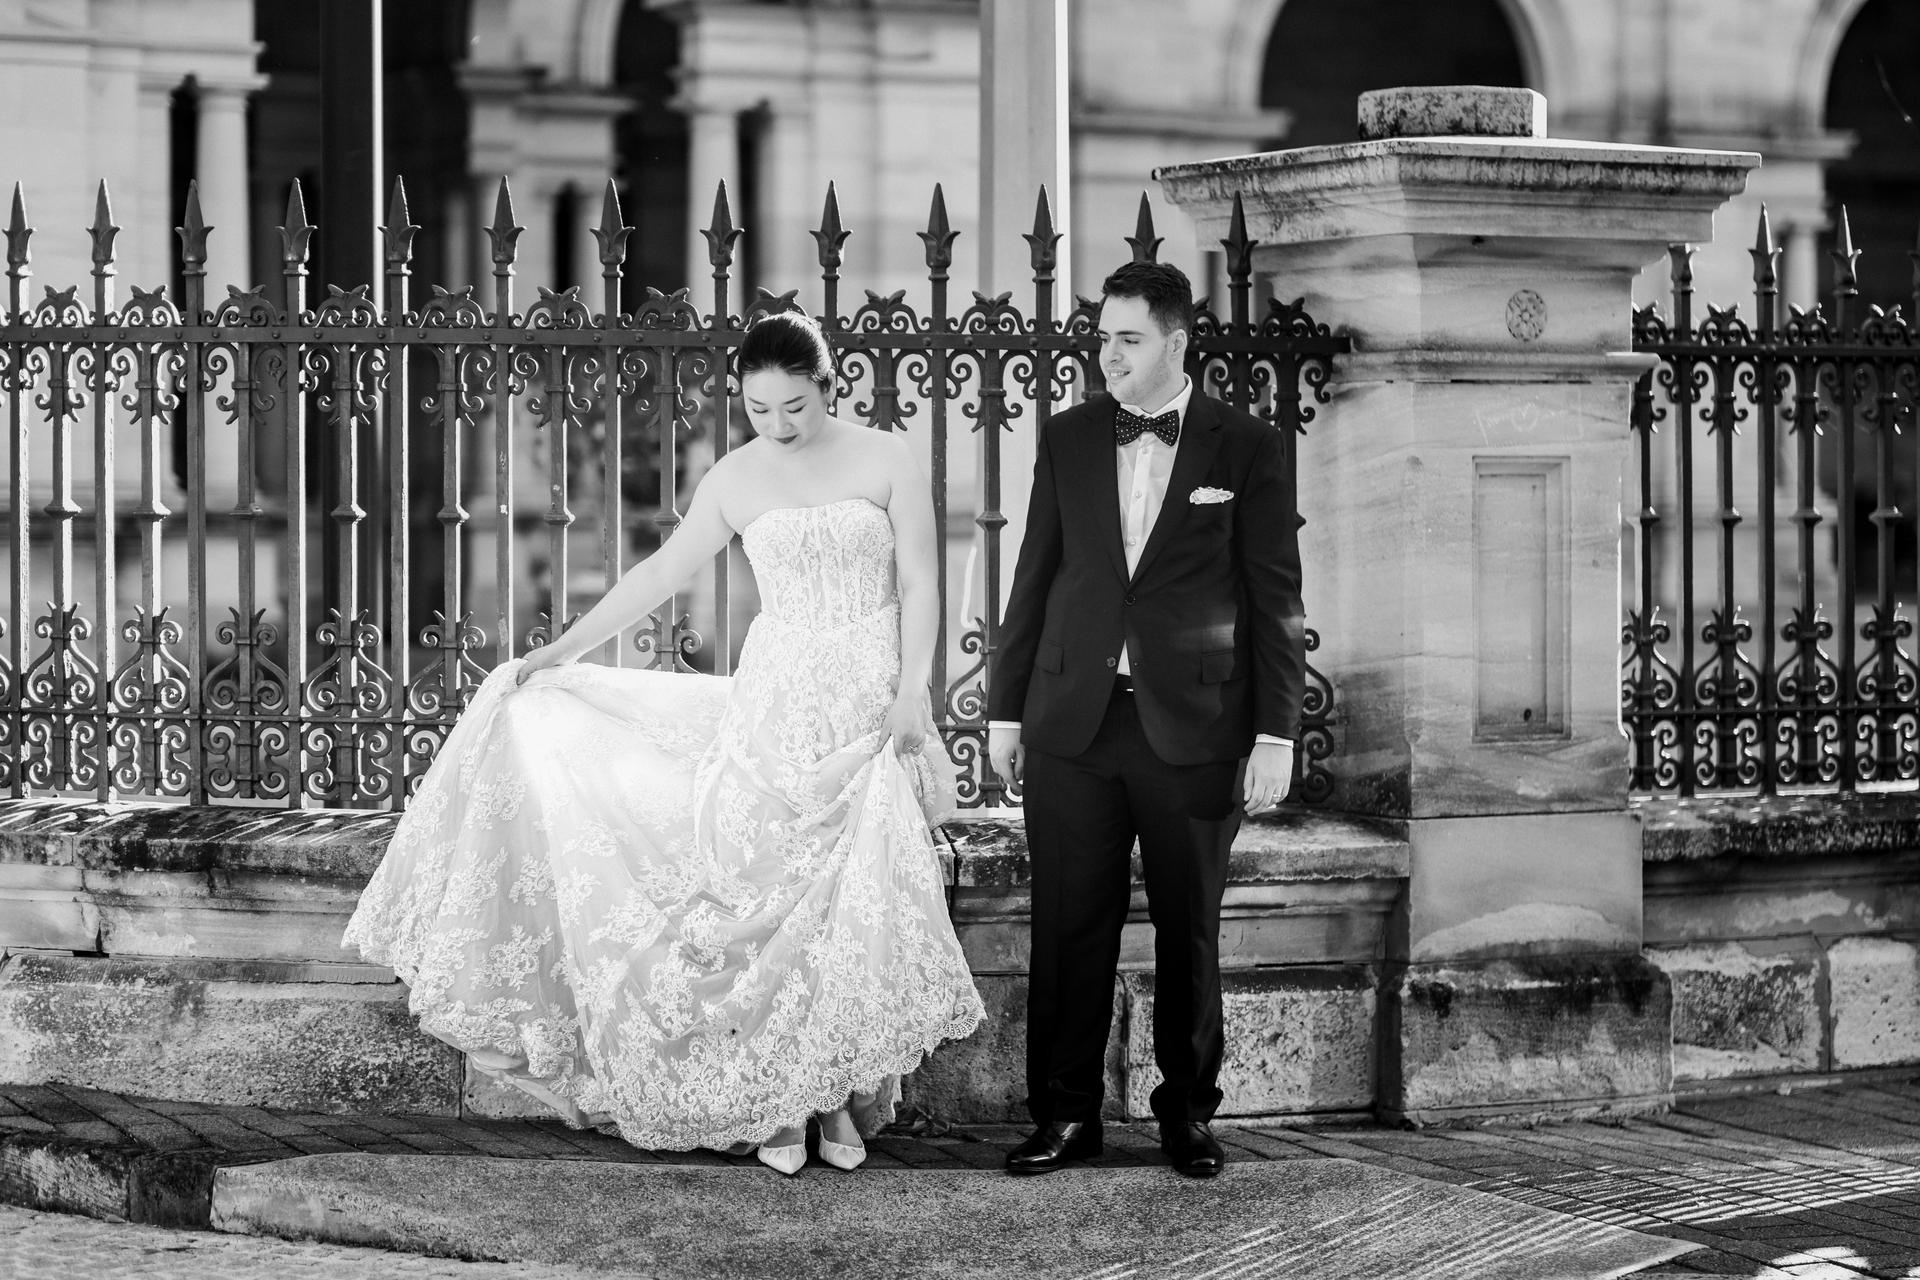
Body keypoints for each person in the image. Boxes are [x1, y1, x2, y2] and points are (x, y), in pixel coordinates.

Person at [345, 310, 985, 1176]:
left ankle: (832, 1093)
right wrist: (558, 651)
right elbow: (658, 575)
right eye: (760, 411)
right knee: (764, 895)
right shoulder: (734, 476)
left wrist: (913, 692)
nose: (779, 427)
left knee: (842, 902)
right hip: (779, 695)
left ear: (829, 387)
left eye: (794, 407)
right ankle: (783, 1103)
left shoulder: (887, 457)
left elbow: (919, 576)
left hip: (867, 697)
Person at [987, 261, 1305, 1179]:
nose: (1107, 355)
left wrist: (1276, 734)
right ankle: (1065, 1115)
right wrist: (1005, 713)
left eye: (1127, 339)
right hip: (1072, 724)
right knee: (1067, 925)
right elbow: (1034, 577)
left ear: (1177, 341)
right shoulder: (1070, 437)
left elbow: (1274, 596)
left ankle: (1186, 1117)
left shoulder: (1245, 446)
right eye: (1101, 336)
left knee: (1189, 927)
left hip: (1198, 727)